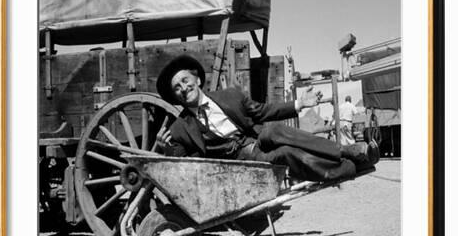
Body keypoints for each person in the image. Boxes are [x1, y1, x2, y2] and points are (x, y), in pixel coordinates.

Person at [155, 55, 378, 183]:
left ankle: (347, 151)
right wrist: (166, 149)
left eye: (185, 80)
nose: (184, 88)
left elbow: (263, 112)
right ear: (175, 97)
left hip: (256, 140)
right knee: (287, 155)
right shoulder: (179, 129)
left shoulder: (230, 96)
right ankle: (351, 166)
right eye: (177, 88)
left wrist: (300, 104)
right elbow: (183, 164)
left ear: (197, 79)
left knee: (273, 130)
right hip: (241, 164)